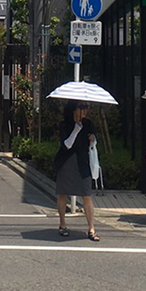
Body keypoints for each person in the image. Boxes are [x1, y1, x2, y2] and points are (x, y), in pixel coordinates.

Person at [54, 100, 100, 241]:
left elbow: (91, 145)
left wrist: (93, 140)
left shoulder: (89, 124)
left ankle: (91, 228)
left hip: (82, 163)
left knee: (86, 195)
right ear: (74, 109)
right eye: (81, 107)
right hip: (66, 163)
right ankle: (62, 224)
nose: (85, 110)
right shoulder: (65, 125)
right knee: (63, 194)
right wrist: (76, 129)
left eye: (86, 107)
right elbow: (66, 145)